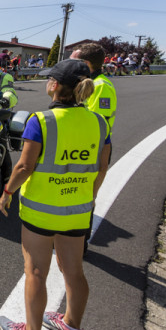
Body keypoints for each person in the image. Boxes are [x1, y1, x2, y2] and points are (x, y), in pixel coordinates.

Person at [0, 59, 110, 330]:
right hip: (77, 211)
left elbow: (24, 165)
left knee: (36, 272)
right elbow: (102, 166)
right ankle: (72, 326)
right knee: (73, 271)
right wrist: (89, 196)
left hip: (41, 212)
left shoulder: (41, 121)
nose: (47, 83)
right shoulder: (99, 123)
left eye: (49, 80)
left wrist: (7, 191)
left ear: (56, 86)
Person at [70, 43, 117, 253]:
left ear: (86, 64)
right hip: (79, 147)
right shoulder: (88, 82)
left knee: (86, 197)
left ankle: (80, 245)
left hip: (92, 149)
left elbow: (96, 125)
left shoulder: (101, 87)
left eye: (74, 61)